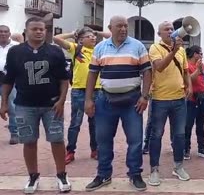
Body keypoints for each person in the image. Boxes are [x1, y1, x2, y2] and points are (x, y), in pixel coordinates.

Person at [0, 17, 71, 193]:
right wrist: (4, 103)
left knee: (57, 140)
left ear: (46, 31)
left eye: (42, 29)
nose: (39, 32)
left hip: (52, 105)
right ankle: (33, 176)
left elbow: (64, 79)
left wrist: (62, 101)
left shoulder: (55, 51)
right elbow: (8, 80)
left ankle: (61, 174)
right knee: (29, 141)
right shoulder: (15, 52)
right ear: (27, 31)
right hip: (25, 105)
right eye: (35, 29)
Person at [84, 16, 152, 192]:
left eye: (125, 26)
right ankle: (103, 174)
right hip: (106, 101)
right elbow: (92, 74)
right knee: (103, 140)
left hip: (132, 102)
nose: (123, 29)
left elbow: (147, 72)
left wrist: (145, 96)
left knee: (136, 140)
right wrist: (88, 99)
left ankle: (135, 174)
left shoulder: (137, 46)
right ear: (110, 28)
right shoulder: (100, 48)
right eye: (119, 26)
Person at [53, 27, 111, 164]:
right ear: (80, 40)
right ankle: (70, 151)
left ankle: (95, 149)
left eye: (93, 36)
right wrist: (72, 33)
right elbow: (56, 39)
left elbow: (110, 36)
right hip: (79, 90)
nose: (93, 38)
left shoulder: (99, 50)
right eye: (89, 36)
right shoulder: (75, 49)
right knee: (75, 123)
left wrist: (97, 33)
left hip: (97, 90)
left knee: (95, 123)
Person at [147, 21, 192, 186]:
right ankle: (154, 170)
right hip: (160, 99)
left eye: (172, 29)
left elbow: (186, 70)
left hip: (179, 99)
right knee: (156, 135)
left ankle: (178, 166)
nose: (170, 31)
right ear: (159, 34)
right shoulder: (154, 48)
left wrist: (189, 85)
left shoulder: (181, 50)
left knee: (179, 135)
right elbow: (159, 67)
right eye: (166, 29)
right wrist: (173, 50)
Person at [184, 45, 204, 160]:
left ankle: (201, 148)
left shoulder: (202, 65)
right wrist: (198, 70)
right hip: (192, 99)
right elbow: (189, 79)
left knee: (200, 125)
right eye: (200, 53)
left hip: (203, 98)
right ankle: (186, 149)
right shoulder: (188, 66)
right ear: (195, 54)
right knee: (188, 125)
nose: (201, 55)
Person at [0, 25, 19, 145]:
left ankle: (14, 133)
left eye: (5, 31)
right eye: (0, 32)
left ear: (9, 33)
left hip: (9, 78)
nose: (3, 34)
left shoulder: (16, 46)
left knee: (11, 105)